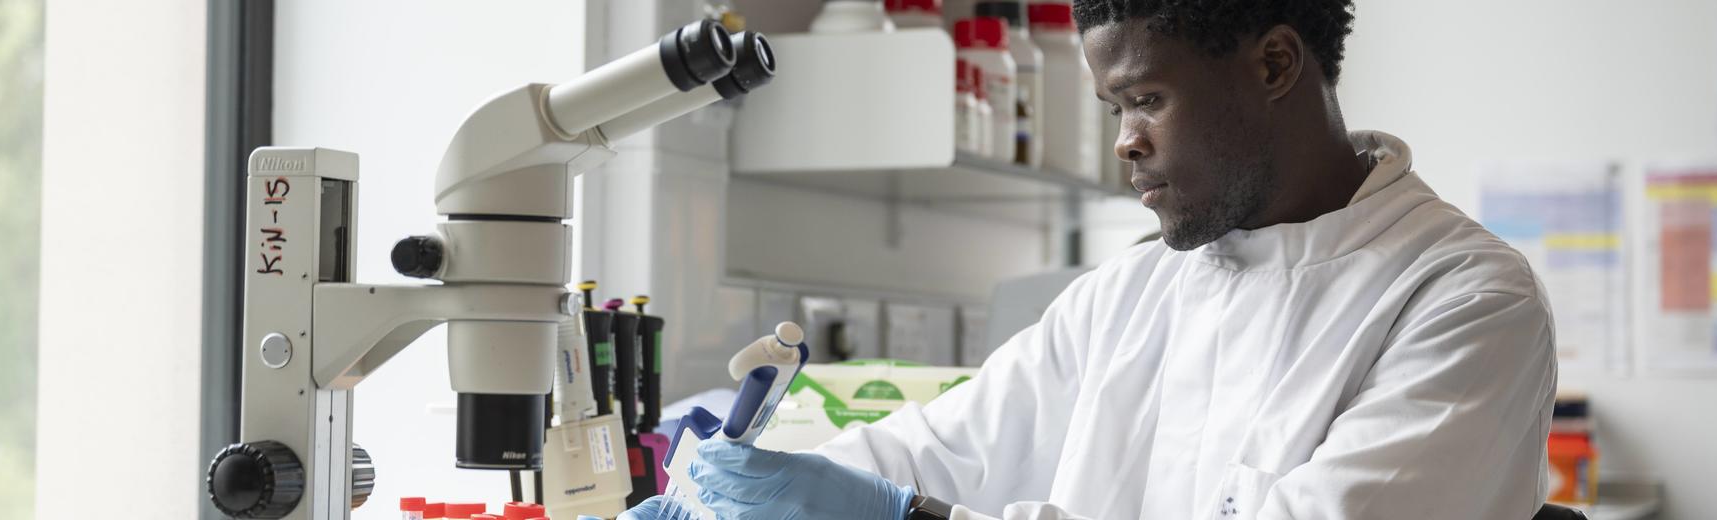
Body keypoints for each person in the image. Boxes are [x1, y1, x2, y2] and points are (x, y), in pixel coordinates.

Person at [626, 0, 1556, 518]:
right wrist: (732, 496)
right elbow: (938, 449)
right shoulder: (1126, 294)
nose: (1124, 142)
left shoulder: (1464, 298)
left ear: (1275, 65)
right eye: (1114, 109)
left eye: (1145, 99)